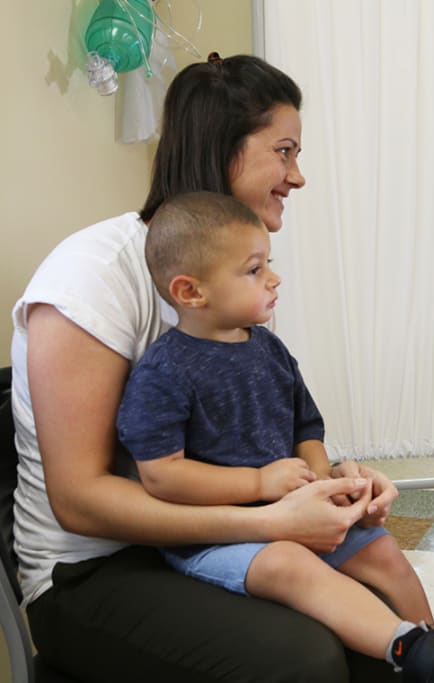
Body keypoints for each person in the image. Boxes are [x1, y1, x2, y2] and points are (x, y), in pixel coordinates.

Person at [13, 53, 400, 682]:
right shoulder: (93, 277)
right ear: (226, 151)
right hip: (94, 571)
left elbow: (254, 444)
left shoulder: (237, 282)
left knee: (383, 623)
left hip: (216, 537)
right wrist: (271, 519)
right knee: (306, 658)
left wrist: (327, 482)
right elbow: (79, 502)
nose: (296, 177)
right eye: (285, 151)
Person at [115, 190, 434, 683]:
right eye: (253, 270)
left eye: (269, 263)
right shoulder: (164, 372)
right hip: (217, 537)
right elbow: (162, 477)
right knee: (290, 563)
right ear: (191, 292)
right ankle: (407, 646)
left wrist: (325, 483)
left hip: (293, 513)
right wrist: (259, 485)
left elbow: (306, 430)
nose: (274, 278)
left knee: (380, 548)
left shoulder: (268, 349)